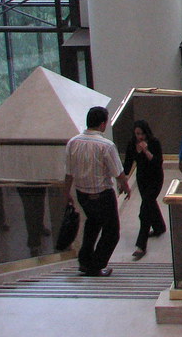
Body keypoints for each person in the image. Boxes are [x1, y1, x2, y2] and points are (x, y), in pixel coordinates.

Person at [64, 105, 131, 277]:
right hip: (103, 195)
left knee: (92, 225)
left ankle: (85, 262)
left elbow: (69, 172)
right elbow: (118, 172)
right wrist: (126, 187)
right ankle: (97, 265)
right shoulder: (106, 145)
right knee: (111, 232)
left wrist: (66, 193)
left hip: (82, 194)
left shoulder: (73, 142)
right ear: (102, 124)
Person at [123, 119, 166, 259]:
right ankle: (159, 227)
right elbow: (128, 164)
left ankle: (141, 245)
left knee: (145, 210)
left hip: (155, 178)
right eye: (137, 134)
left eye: (142, 134)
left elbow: (158, 163)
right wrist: (122, 180)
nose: (140, 137)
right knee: (149, 203)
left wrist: (146, 151)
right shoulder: (131, 144)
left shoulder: (154, 143)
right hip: (142, 179)